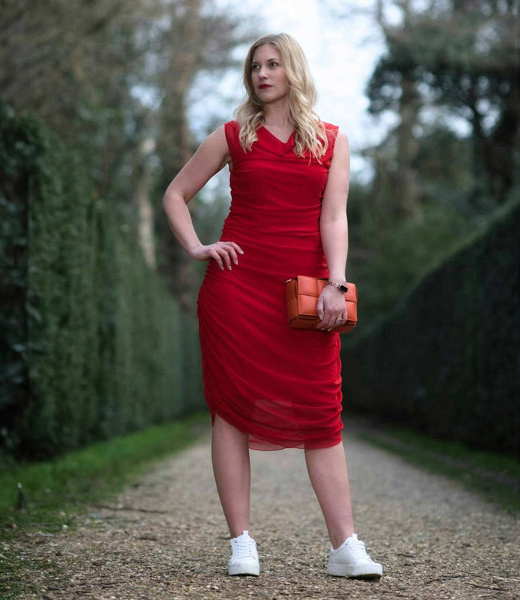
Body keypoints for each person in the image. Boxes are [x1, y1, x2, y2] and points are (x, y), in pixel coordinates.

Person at [162, 32, 383, 579]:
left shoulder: (332, 140)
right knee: (231, 409)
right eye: (255, 65)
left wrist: (337, 280)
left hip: (304, 297)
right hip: (236, 289)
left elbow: (334, 217)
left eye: (273, 64)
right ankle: (242, 543)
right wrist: (197, 246)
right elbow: (174, 193)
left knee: (322, 410)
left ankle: (345, 547)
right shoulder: (233, 135)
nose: (262, 73)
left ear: (294, 71)